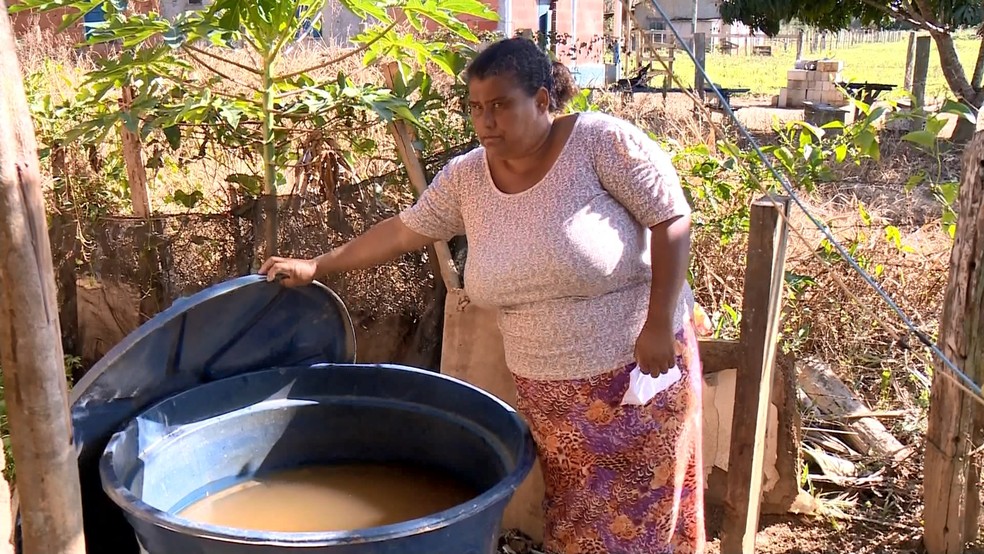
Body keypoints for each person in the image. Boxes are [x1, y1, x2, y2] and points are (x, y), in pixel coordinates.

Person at [260, 37, 705, 554]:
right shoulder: (468, 178)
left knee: (643, 519)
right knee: (578, 521)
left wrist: (657, 325)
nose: (486, 121)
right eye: (476, 108)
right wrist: (319, 265)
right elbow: (404, 231)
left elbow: (671, 220)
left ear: (542, 100)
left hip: (638, 374)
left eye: (499, 105)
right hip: (550, 395)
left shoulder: (600, 143)